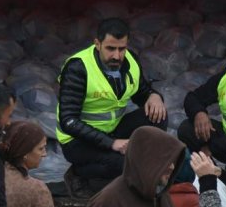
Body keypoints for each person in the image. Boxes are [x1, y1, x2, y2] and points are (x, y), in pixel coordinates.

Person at [56, 18, 167, 187]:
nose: (117, 56)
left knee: (158, 115)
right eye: (110, 49)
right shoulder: (78, 68)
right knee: (125, 164)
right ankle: (81, 172)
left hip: (112, 129)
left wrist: (154, 96)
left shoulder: (130, 61)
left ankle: (136, 166)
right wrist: (111, 143)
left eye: (121, 49)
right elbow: (68, 121)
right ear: (97, 44)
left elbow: (141, 93)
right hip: (78, 141)